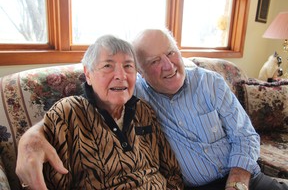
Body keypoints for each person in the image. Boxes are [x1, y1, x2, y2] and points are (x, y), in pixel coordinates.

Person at [16, 29, 288, 190]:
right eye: (154, 61)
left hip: (242, 177)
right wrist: (30, 139)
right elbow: (70, 116)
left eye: (171, 53)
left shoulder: (205, 85)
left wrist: (237, 183)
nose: (168, 66)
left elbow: (245, 136)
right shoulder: (115, 100)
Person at [16, 34, 183, 190]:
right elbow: (53, 180)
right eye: (108, 66)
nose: (121, 75)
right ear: (88, 74)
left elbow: (172, 172)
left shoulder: (144, 111)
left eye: (128, 66)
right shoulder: (69, 112)